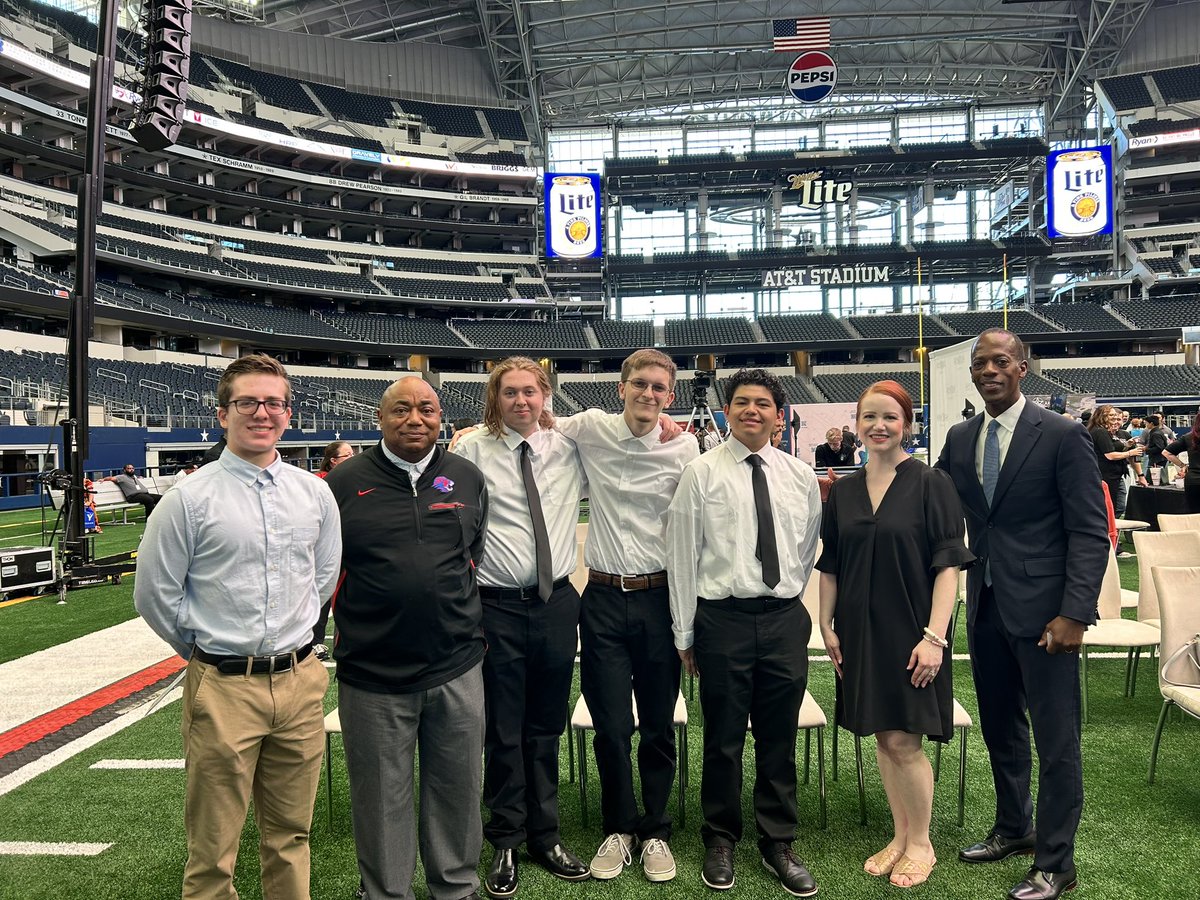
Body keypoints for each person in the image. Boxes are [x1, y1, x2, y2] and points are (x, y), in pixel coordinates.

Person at [134, 353, 342, 900]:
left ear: (288, 413)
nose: (261, 412)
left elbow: (321, 582)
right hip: (223, 686)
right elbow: (155, 595)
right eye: (247, 402)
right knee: (212, 852)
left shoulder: (315, 493)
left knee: (291, 836)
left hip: (300, 683)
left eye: (273, 402)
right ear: (222, 412)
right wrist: (212, 653)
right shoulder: (188, 499)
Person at [935, 329, 1108, 900]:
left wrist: (1075, 613)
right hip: (984, 606)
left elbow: (1089, 531)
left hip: (1047, 618)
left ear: (1023, 367)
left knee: (1058, 743)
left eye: (1000, 361)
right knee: (1001, 729)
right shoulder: (961, 439)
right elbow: (930, 501)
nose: (989, 370)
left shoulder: (1062, 435)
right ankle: (1015, 828)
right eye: (980, 362)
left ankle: (1057, 862)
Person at [326, 377, 489, 900]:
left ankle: (455, 887)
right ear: (380, 418)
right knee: (380, 797)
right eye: (402, 409)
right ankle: (386, 892)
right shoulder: (343, 483)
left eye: (427, 409)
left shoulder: (466, 476)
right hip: (372, 672)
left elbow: (474, 554)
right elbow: (323, 570)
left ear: (441, 418)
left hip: (456, 663)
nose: (415, 419)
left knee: (458, 789)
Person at [667, 368, 822, 898]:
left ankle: (778, 841)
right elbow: (683, 555)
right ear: (726, 411)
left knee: (778, 737)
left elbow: (804, 548)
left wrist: (787, 598)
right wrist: (684, 632)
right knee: (724, 739)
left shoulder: (800, 476)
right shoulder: (701, 473)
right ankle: (720, 838)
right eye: (741, 402)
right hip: (722, 620)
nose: (751, 411)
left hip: (781, 619)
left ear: (779, 416)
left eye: (762, 403)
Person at [817, 381, 973, 888]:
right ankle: (900, 835)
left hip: (914, 632)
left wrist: (935, 637)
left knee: (905, 741)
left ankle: (921, 843)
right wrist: (826, 622)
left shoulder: (932, 483)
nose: (879, 426)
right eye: (869, 417)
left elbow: (949, 566)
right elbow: (833, 563)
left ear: (907, 423)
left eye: (890, 417)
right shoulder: (842, 489)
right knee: (885, 738)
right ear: (856, 424)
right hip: (860, 632)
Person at [554, 349, 698, 884]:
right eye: (640, 384)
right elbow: (536, 420)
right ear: (621, 387)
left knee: (658, 725)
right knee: (611, 727)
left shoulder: (685, 447)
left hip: (660, 600)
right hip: (604, 599)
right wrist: (468, 434)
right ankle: (619, 827)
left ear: (671, 395)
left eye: (659, 387)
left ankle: (656, 830)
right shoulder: (589, 427)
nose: (649, 394)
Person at [452, 357, 589, 898]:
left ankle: (545, 834)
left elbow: (624, 430)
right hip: (497, 606)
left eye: (530, 392)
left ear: (546, 395)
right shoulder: (469, 451)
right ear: (495, 398)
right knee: (503, 730)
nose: (521, 402)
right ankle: (505, 837)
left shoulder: (571, 447)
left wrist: (672, 424)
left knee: (546, 726)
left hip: (556, 603)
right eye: (509, 393)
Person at [311, 441, 355, 658]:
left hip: (348, 545)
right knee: (323, 592)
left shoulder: (356, 479)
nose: (353, 457)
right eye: (347, 455)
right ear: (333, 461)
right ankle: (314, 641)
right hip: (324, 548)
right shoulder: (319, 482)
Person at [1086, 405, 1142, 519]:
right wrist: (1131, 453)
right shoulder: (1100, 432)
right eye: (1111, 415)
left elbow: (1112, 451)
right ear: (1102, 416)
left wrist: (1126, 446)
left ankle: (1111, 528)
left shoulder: (1114, 433)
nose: (1114, 418)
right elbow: (1110, 455)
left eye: (1116, 416)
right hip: (1105, 474)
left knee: (1117, 505)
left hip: (1115, 474)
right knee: (1109, 506)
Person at [1163, 412, 1200, 513]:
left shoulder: (1189, 437)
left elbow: (1166, 453)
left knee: (1193, 514)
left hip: (1193, 480)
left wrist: (1183, 465)